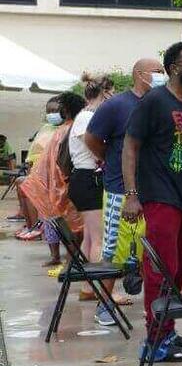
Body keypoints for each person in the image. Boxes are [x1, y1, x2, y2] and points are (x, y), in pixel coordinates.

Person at [122, 41, 182, 363]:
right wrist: (132, 196)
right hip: (160, 197)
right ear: (174, 68)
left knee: (177, 272)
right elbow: (130, 147)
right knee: (161, 270)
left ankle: (167, 332)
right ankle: (154, 341)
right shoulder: (154, 101)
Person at [85, 58, 164, 321]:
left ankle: (155, 308)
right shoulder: (117, 105)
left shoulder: (158, 104)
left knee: (148, 249)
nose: (161, 76)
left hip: (152, 189)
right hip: (120, 189)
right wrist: (111, 158)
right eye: (157, 72)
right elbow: (92, 138)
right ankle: (104, 306)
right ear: (139, 75)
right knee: (114, 249)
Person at [19, 92, 87, 266]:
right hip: (66, 184)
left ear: (66, 110)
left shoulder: (67, 130)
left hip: (62, 185)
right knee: (74, 227)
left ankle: (70, 263)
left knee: (71, 227)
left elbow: (57, 161)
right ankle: (69, 261)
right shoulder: (70, 129)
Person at [68, 75, 114, 302]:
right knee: (99, 239)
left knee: (89, 237)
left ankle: (88, 287)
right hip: (88, 180)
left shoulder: (86, 116)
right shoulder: (86, 117)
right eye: (112, 93)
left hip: (84, 180)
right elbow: (92, 142)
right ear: (105, 93)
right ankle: (104, 291)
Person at [13, 97, 61, 238]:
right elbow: (35, 151)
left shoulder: (64, 129)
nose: (51, 114)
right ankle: (30, 225)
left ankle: (36, 228)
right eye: (49, 111)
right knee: (21, 182)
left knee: (27, 185)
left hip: (53, 174)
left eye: (55, 111)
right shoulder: (46, 128)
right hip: (39, 170)